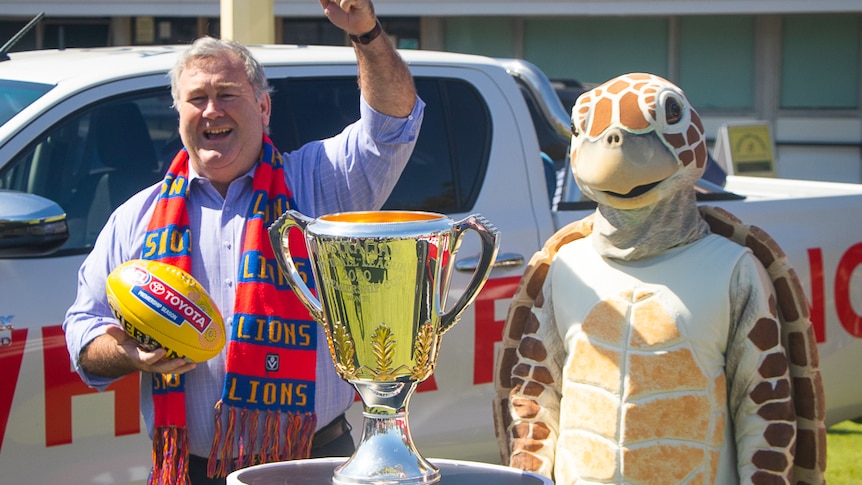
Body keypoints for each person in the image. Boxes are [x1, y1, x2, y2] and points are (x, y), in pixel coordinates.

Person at [63, 1, 424, 483]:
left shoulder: (321, 183)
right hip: (190, 470)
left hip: (310, 463)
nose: (211, 110)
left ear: (262, 106)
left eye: (228, 94)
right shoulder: (138, 217)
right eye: (196, 98)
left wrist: (365, 31)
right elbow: (83, 331)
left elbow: (393, 126)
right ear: (179, 115)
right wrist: (128, 353)